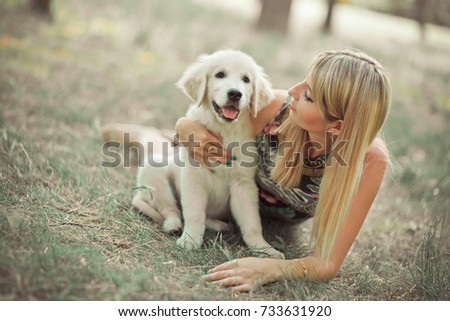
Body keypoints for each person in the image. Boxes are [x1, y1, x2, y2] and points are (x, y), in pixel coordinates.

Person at [101, 48, 391, 293]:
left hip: (247, 198)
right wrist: (183, 127)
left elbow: (327, 263)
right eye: (304, 81)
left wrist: (272, 269)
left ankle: (153, 134)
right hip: (225, 171)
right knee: (166, 152)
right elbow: (203, 117)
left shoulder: (369, 162)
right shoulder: (277, 109)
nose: (293, 90)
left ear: (337, 125)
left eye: (309, 95)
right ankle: (145, 135)